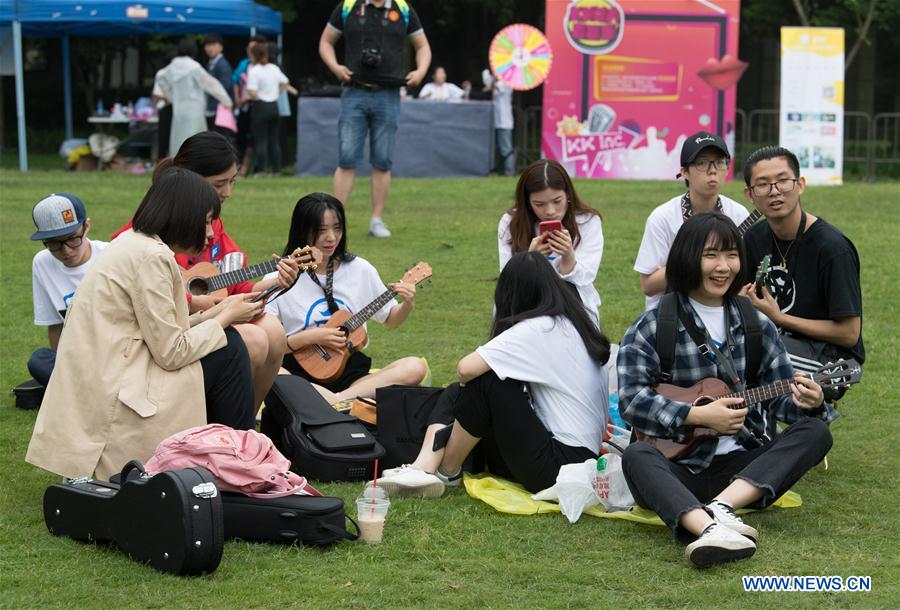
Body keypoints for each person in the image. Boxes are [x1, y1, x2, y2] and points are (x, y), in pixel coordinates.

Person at [618, 212, 835, 568]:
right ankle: (709, 530)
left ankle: (720, 508)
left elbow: (781, 399)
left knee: (815, 430)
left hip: (742, 470)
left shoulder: (756, 324)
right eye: (711, 255)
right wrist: (697, 415)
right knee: (636, 456)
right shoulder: (655, 324)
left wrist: (808, 402)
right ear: (688, 257)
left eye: (732, 255)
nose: (724, 267)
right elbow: (631, 400)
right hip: (677, 468)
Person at [26, 168, 263, 479]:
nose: (209, 233)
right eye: (206, 221)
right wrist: (225, 319)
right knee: (229, 346)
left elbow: (161, 329)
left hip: (111, 378)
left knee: (224, 339)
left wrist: (221, 313)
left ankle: (228, 456)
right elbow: (172, 351)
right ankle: (238, 461)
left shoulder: (134, 243)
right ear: (182, 216)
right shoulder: (151, 257)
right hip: (118, 395)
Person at [374, 252, 610, 497]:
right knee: (470, 385)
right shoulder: (576, 321)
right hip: (580, 461)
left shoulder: (539, 328)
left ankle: (444, 470)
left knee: (484, 381)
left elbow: (466, 368)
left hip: (558, 467)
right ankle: (422, 468)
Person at [112, 131, 299, 411]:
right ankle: (215, 430)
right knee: (253, 341)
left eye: (232, 181)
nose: (227, 193)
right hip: (153, 343)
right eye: (218, 184)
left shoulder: (213, 223)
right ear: (189, 179)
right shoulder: (148, 233)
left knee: (273, 331)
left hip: (195, 325)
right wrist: (194, 303)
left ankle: (244, 426)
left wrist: (277, 281)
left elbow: (233, 287)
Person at [265, 193, 427, 404]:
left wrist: (407, 304)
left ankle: (337, 399)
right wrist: (312, 337)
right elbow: (269, 348)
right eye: (322, 230)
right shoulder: (277, 279)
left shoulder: (360, 270)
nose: (331, 237)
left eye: (337, 228)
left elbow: (390, 318)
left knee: (415, 367)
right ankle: (345, 401)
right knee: (268, 369)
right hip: (299, 373)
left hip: (351, 376)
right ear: (302, 230)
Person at [739, 146, 864, 381]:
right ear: (750, 195)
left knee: (755, 358)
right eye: (763, 184)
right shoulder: (752, 238)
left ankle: (812, 417)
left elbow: (849, 334)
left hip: (835, 359)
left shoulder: (832, 248)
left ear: (800, 185)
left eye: (783, 180)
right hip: (777, 341)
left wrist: (780, 318)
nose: (774, 191)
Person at [319, 0, 432, 238]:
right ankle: (334, 222)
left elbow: (423, 46)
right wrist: (335, 67)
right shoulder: (348, 6)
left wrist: (420, 71)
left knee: (383, 160)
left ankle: (376, 220)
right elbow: (326, 42)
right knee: (346, 157)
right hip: (353, 91)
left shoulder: (403, 9)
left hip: (389, 94)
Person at [634, 131, 750, 311]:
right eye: (702, 163)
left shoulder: (738, 213)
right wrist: (695, 261)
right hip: (673, 312)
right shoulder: (662, 218)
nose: (712, 170)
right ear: (684, 172)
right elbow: (648, 285)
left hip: (722, 308)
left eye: (719, 162)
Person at [498, 159, 604, 326]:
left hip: (573, 306)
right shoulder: (511, 222)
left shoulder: (587, 221)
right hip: (524, 304)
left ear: (568, 194)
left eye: (557, 201)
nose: (550, 211)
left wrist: (568, 258)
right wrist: (530, 260)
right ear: (527, 202)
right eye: (539, 204)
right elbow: (507, 279)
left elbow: (586, 277)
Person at [28, 193, 108, 387]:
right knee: (39, 360)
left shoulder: (110, 255)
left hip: (116, 351)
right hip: (80, 357)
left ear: (86, 227)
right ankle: (86, 391)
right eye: (54, 244)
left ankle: (78, 391)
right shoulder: (42, 262)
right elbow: (55, 325)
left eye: (72, 239)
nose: (66, 251)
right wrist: (63, 365)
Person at [153, 37, 233, 154]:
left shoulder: (172, 67)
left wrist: (172, 97)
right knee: (196, 139)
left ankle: (178, 164)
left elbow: (160, 76)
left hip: (179, 109)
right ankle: (196, 166)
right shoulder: (194, 66)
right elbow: (211, 85)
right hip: (195, 108)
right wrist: (227, 101)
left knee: (178, 138)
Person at [246, 43, 291, 176]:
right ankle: (277, 169)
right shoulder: (274, 68)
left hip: (260, 106)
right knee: (274, 140)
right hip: (274, 107)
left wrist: (258, 94)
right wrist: (276, 92)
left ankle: (261, 170)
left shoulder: (254, 71)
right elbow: (286, 82)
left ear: (254, 55)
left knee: (261, 140)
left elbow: (252, 92)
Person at [232, 35, 268, 176]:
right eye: (249, 47)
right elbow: (235, 79)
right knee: (241, 136)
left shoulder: (265, 66)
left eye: (253, 48)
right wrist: (238, 98)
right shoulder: (244, 64)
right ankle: (239, 166)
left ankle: (249, 167)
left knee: (255, 139)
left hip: (257, 105)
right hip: (244, 106)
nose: (250, 50)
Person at [203, 34, 235, 141]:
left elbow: (224, 87)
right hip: (214, 108)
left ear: (221, 47)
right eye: (207, 45)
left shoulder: (223, 65)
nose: (209, 48)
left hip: (221, 109)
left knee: (221, 140)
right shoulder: (211, 63)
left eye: (213, 44)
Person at [485, 74, 515, 176]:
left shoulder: (506, 83)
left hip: (504, 121)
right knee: (499, 147)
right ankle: (501, 170)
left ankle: (509, 171)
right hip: (497, 120)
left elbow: (495, 87)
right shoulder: (498, 82)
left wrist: (492, 82)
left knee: (505, 147)